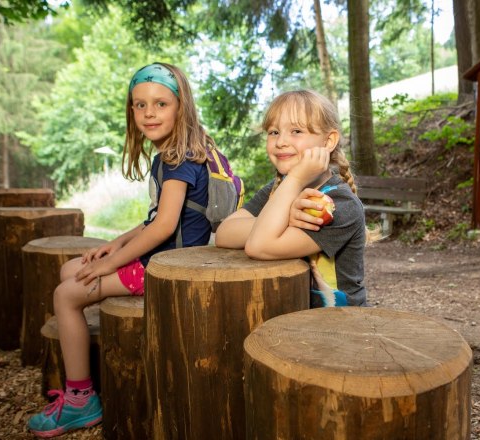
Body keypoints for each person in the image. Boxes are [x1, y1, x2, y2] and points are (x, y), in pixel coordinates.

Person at [26, 62, 215, 437]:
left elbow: (164, 227)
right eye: (140, 104)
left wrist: (110, 263)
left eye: (161, 104)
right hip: (162, 259)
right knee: (71, 271)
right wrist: (116, 243)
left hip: (165, 269)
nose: (149, 113)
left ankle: (80, 399)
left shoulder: (176, 159)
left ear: (181, 107)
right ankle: (82, 363)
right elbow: (159, 219)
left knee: (65, 294)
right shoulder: (182, 152)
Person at [215, 89, 367, 308]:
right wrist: (285, 216)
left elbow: (259, 246)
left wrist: (294, 181)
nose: (281, 142)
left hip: (340, 325)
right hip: (295, 320)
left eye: (296, 131)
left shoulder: (340, 205)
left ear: (328, 141)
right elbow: (224, 234)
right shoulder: (278, 189)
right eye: (274, 132)